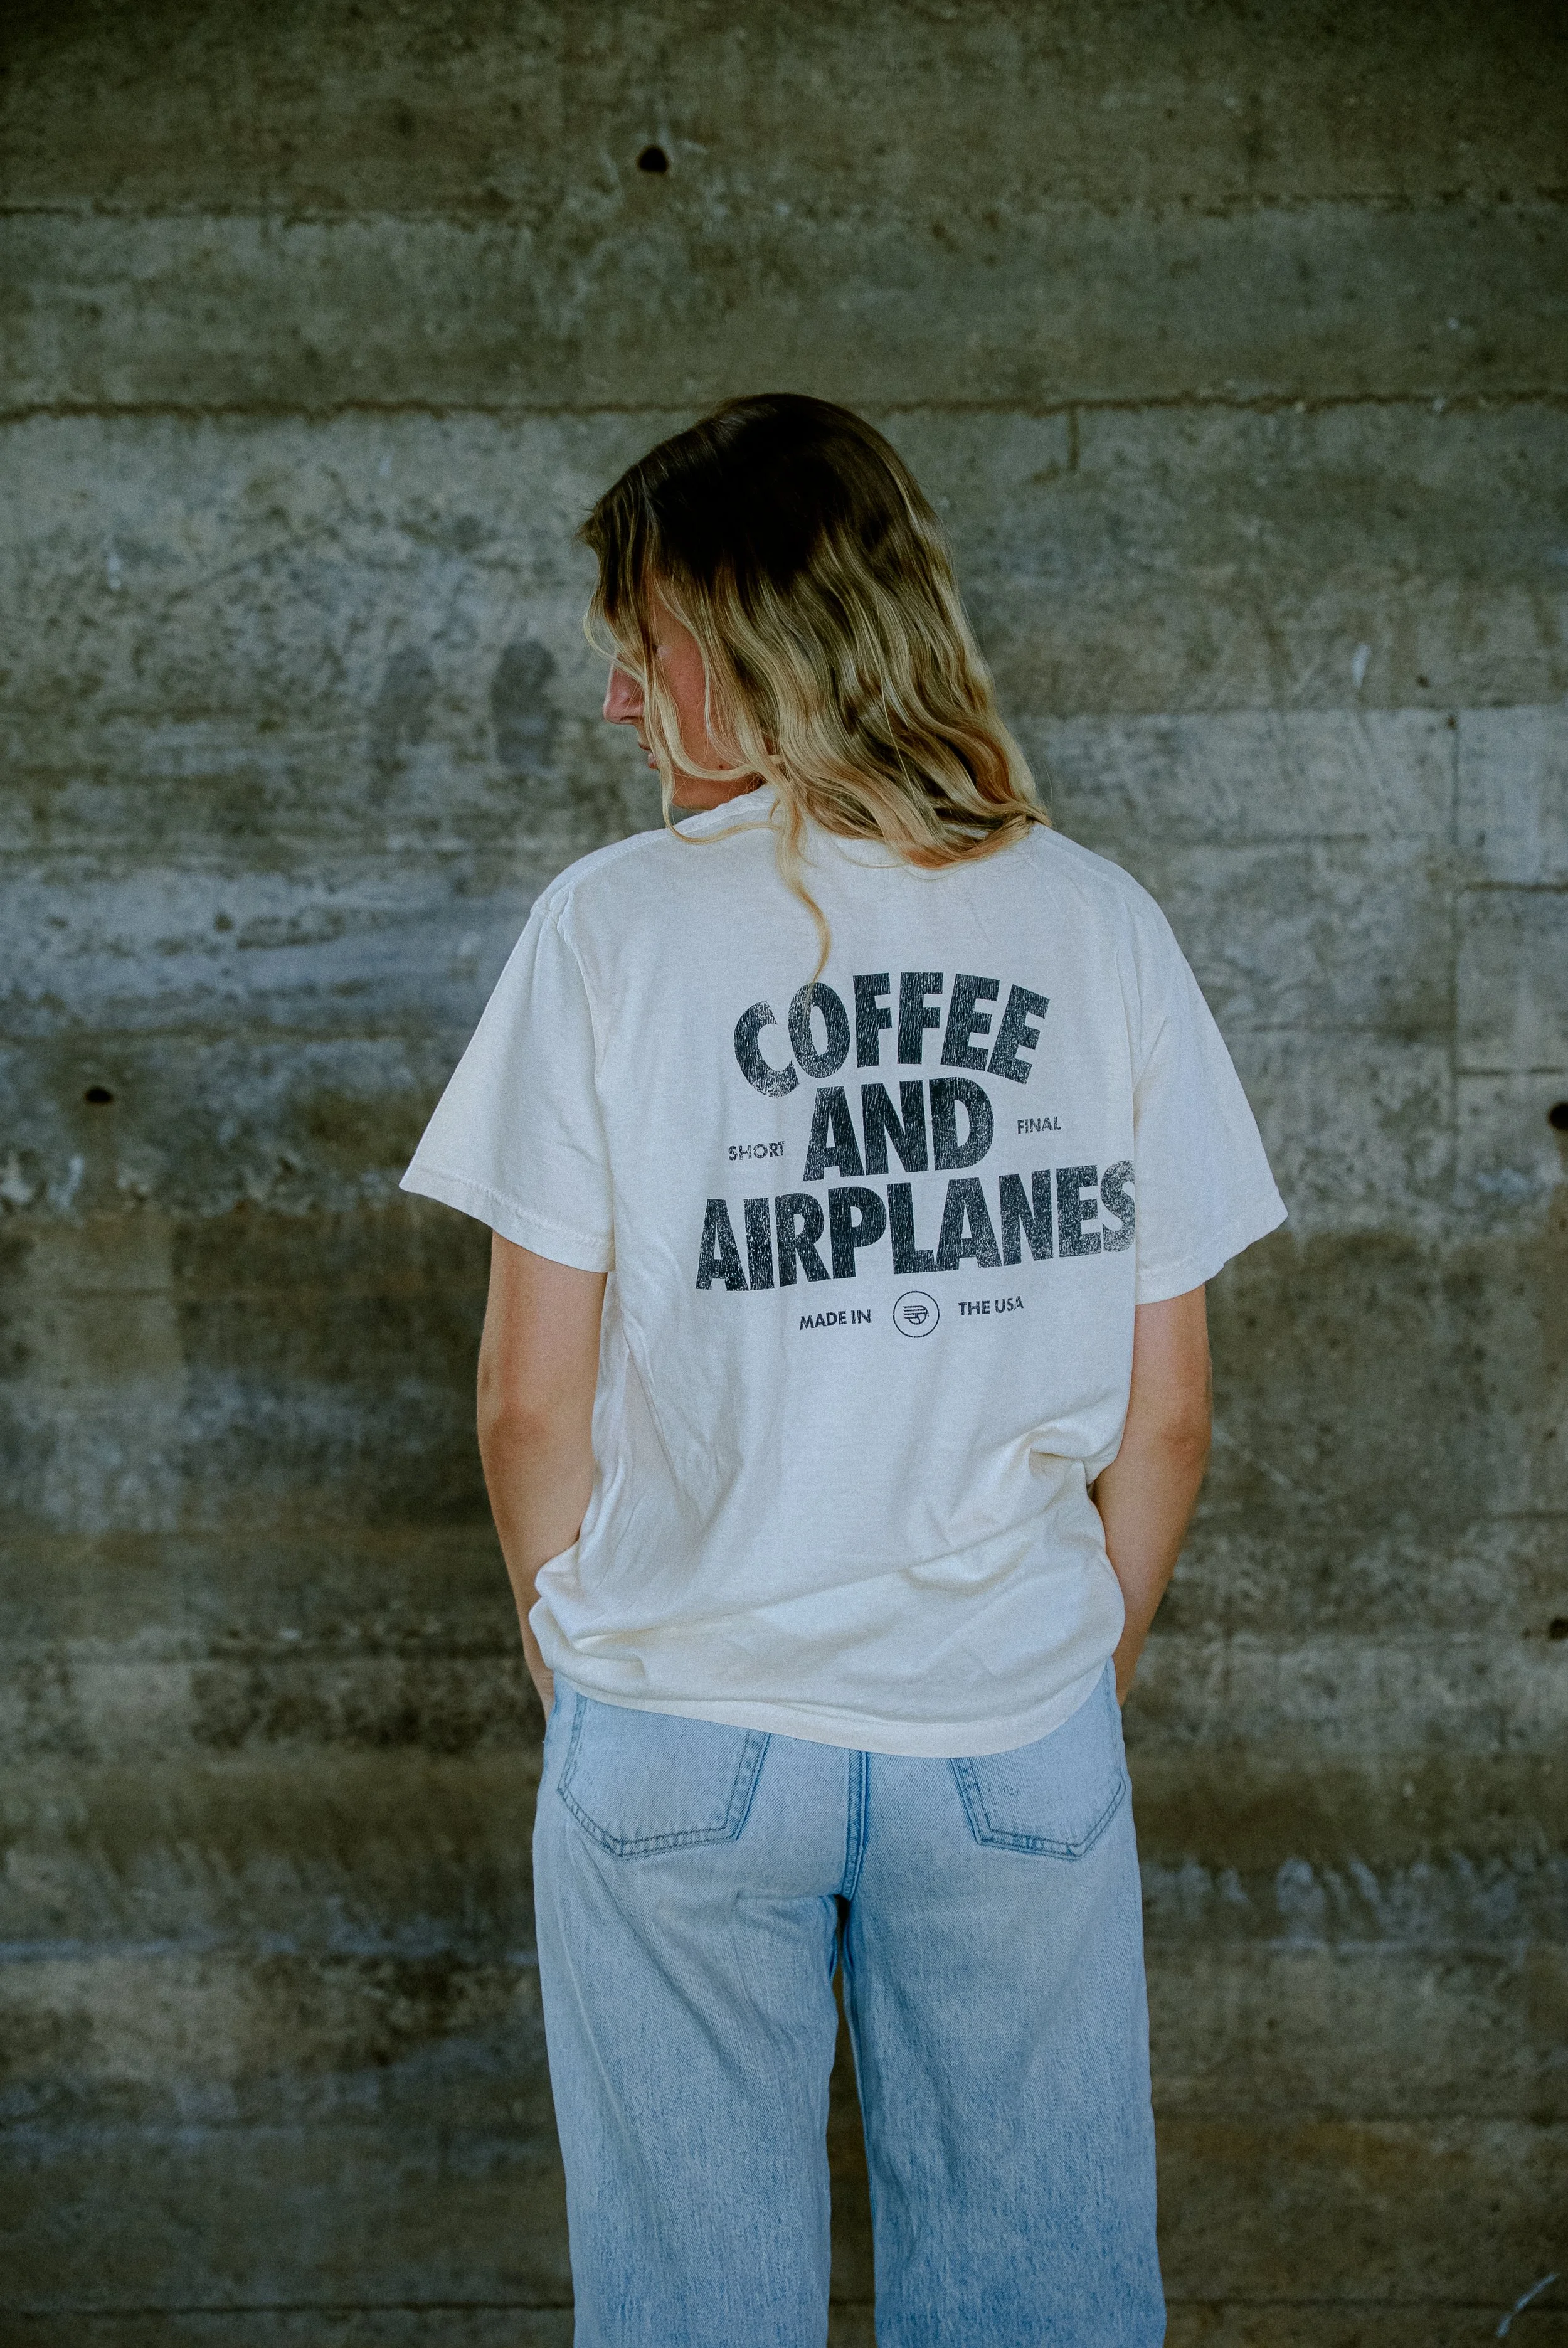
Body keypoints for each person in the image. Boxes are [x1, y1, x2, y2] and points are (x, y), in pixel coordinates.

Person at [401, 393, 1285, 2348]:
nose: (622, 708)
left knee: (690, 2314)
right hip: (1009, 1729)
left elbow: (526, 1397)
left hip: (684, 1721)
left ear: (763, 633)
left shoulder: (608, 935)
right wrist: (1074, 1656)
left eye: (647, 653)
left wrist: (586, 1655)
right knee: (1042, 2308)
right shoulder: (1095, 924)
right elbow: (1169, 1405)